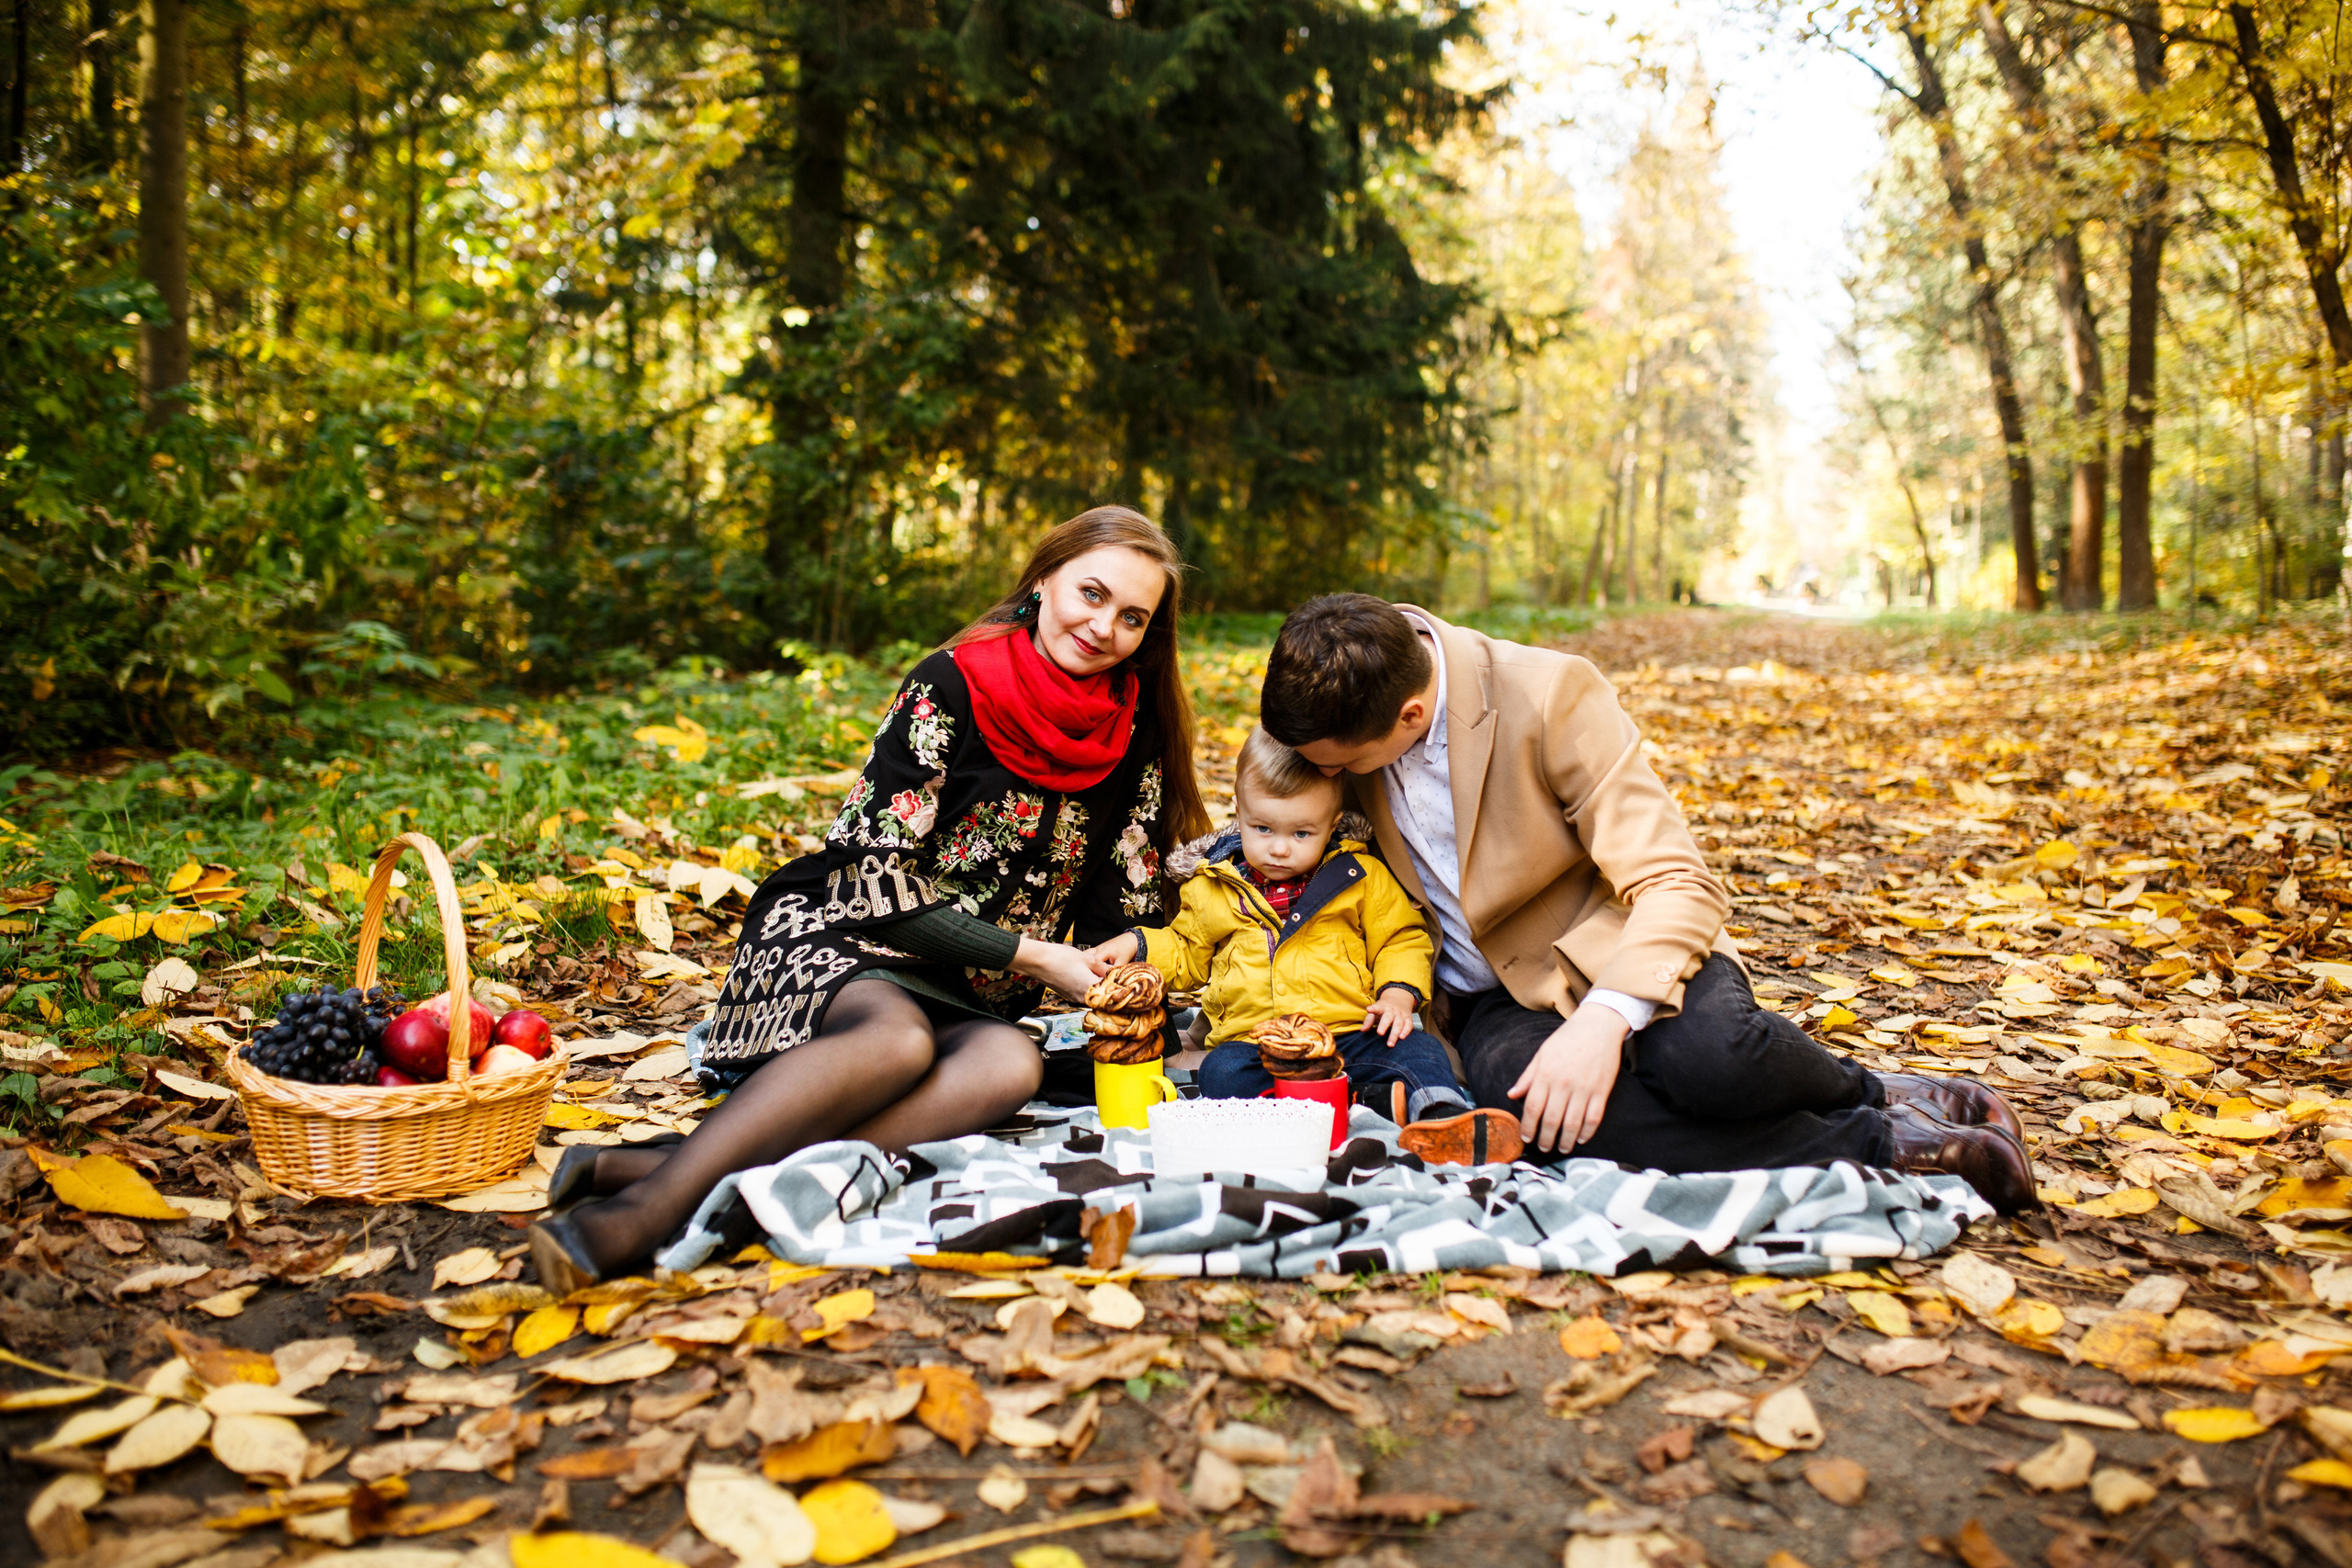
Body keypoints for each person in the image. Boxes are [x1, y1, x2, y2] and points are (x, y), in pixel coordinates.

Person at [530, 506, 1214, 1288]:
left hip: (969, 990)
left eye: (1132, 617)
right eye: (1090, 593)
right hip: (835, 933)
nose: (1103, 627)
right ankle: (644, 1213)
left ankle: (689, 1167)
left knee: (1009, 1066)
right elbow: (870, 881)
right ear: (1044, 579)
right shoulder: (951, 683)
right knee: (898, 1042)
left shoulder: (1135, 733)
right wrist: (1032, 956)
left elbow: (1119, 907)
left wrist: (1123, 951)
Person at [1255, 593, 2033, 1211]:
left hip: (1620, 943)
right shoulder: (1339, 715)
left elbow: (1676, 879)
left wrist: (1603, 1021)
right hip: (1495, 1002)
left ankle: (1875, 1087)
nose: (1334, 774)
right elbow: (1273, 818)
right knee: (1547, 1122)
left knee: (1708, 1061)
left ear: (1410, 718)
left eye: (1344, 764)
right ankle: (1878, 1140)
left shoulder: (1551, 691)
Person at [1087, 728, 1516, 1163]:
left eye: (1301, 834)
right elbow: (1185, 951)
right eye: (1263, 828)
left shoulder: (1360, 877)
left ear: (1331, 825)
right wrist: (1137, 945)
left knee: (1416, 1050)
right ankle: (1360, 1103)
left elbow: (1401, 938)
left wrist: (1397, 994)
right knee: (1223, 1072)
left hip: (1349, 1032)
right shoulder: (1212, 889)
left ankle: (1443, 1115)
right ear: (1240, 814)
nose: (1278, 849)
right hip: (1257, 1042)